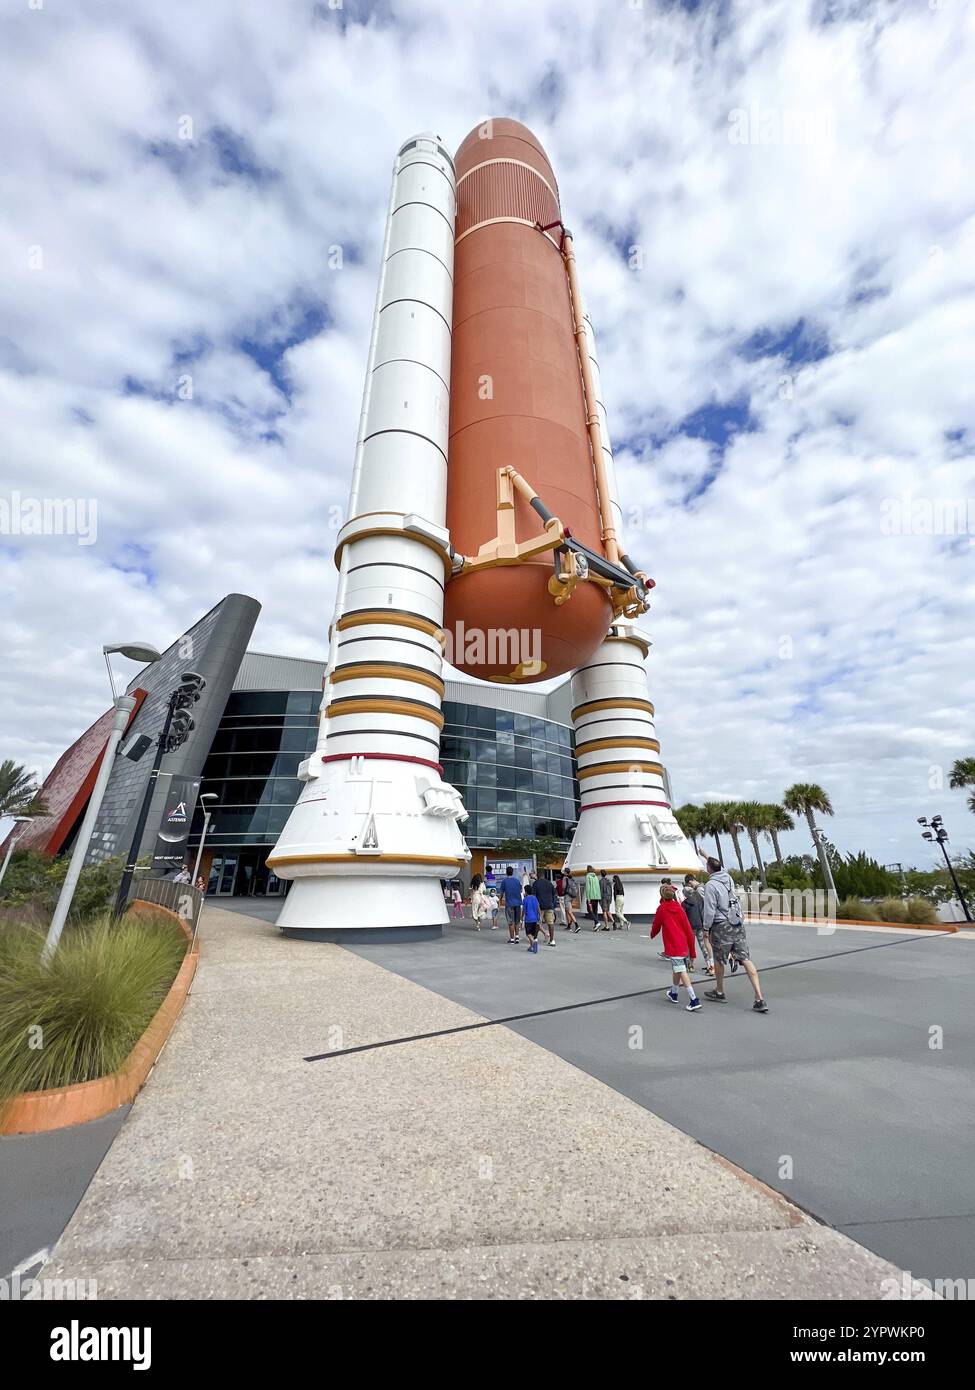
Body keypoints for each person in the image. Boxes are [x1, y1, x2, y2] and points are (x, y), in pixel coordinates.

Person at [701, 857, 768, 1012]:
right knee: (745, 959)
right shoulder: (728, 878)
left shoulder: (711, 885)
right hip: (737, 924)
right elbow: (719, 867)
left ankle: (719, 991)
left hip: (721, 926)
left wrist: (706, 928)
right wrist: (705, 855)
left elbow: (710, 909)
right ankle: (759, 997)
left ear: (708, 869)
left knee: (719, 959)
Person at [651, 884, 701, 1011]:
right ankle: (674, 992)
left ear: (662, 895)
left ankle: (694, 999)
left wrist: (652, 934)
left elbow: (656, 924)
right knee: (677, 969)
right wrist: (692, 952)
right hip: (683, 944)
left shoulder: (662, 909)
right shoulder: (679, 909)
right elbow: (688, 930)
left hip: (673, 946)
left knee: (681, 970)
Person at [682, 874, 713, 973]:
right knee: (703, 946)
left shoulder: (684, 903)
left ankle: (690, 964)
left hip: (690, 927)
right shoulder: (699, 901)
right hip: (700, 925)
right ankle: (710, 965)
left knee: (689, 946)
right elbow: (702, 911)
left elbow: (683, 917)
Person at [499, 865, 524, 945]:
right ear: (512, 872)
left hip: (509, 903)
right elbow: (520, 890)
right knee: (517, 921)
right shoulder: (517, 881)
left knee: (511, 921)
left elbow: (501, 893)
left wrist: (499, 901)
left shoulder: (504, 881)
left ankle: (512, 938)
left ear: (506, 873)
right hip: (518, 903)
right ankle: (517, 936)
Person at [533, 873, 559, 947]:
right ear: (544, 876)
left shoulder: (536, 883)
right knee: (550, 923)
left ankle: (535, 938)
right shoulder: (549, 883)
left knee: (538, 922)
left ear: (538, 876)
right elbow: (554, 894)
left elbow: (534, 895)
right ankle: (552, 940)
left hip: (540, 906)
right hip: (549, 905)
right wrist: (553, 904)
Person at [523, 884, 541, 953]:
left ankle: (533, 943)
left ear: (526, 892)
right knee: (533, 934)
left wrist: (521, 917)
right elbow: (538, 907)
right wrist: (540, 916)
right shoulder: (535, 898)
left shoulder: (525, 899)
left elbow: (524, 910)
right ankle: (531, 947)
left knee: (528, 934)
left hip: (528, 919)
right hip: (535, 918)